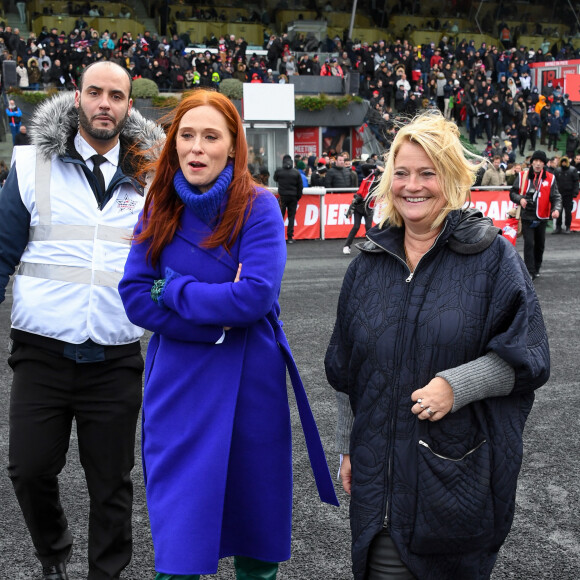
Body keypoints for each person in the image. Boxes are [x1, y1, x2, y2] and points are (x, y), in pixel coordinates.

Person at [118, 89, 338, 579]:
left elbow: (255, 297)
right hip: (178, 383)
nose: (197, 147)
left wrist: (171, 290)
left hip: (249, 383)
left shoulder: (259, 205)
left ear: (233, 147)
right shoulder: (158, 205)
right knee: (178, 535)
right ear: (174, 144)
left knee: (254, 527)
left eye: (210, 136)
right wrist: (216, 322)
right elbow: (134, 296)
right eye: (187, 136)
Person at [325, 112, 551, 580]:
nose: (413, 186)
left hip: (454, 483)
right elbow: (347, 369)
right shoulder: (366, 266)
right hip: (376, 483)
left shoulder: (493, 259)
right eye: (402, 173)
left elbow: (530, 356)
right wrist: (349, 447)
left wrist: (456, 384)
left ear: (451, 178)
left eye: (427, 173)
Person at [0, 61, 165, 580]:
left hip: (115, 356)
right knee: (28, 471)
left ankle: (105, 575)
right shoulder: (29, 165)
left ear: (128, 105)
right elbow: (3, 252)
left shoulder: (155, 177)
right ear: (78, 97)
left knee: (111, 483)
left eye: (115, 95)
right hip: (41, 351)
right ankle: (53, 553)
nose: (104, 104)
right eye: (94, 92)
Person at [510, 150, 562, 279]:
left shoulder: (550, 177)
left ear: (544, 164)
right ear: (531, 162)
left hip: (542, 217)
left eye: (540, 162)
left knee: (540, 245)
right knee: (529, 244)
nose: (538, 164)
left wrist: (556, 209)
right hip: (527, 216)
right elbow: (512, 193)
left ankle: (537, 268)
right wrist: (520, 199)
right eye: (535, 161)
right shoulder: (522, 176)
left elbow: (556, 196)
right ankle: (529, 271)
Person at [342, 162, 382, 255]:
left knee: (368, 227)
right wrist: (375, 166)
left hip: (369, 208)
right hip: (359, 205)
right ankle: (346, 246)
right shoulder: (369, 175)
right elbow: (363, 166)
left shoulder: (381, 182)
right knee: (356, 226)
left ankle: (368, 246)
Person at [274, 153, 303, 244]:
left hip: (282, 197)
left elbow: (275, 179)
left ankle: (279, 236)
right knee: (291, 217)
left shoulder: (279, 171)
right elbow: (300, 186)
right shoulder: (296, 172)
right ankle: (290, 237)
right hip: (293, 197)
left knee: (280, 217)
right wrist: (297, 197)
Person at [553, 156, 579, 234]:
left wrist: (575, 192)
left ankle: (568, 226)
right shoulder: (557, 170)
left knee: (568, 212)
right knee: (559, 211)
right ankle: (558, 227)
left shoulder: (572, 170)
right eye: (563, 162)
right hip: (559, 194)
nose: (564, 163)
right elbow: (554, 182)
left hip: (569, 194)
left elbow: (576, 182)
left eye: (565, 162)